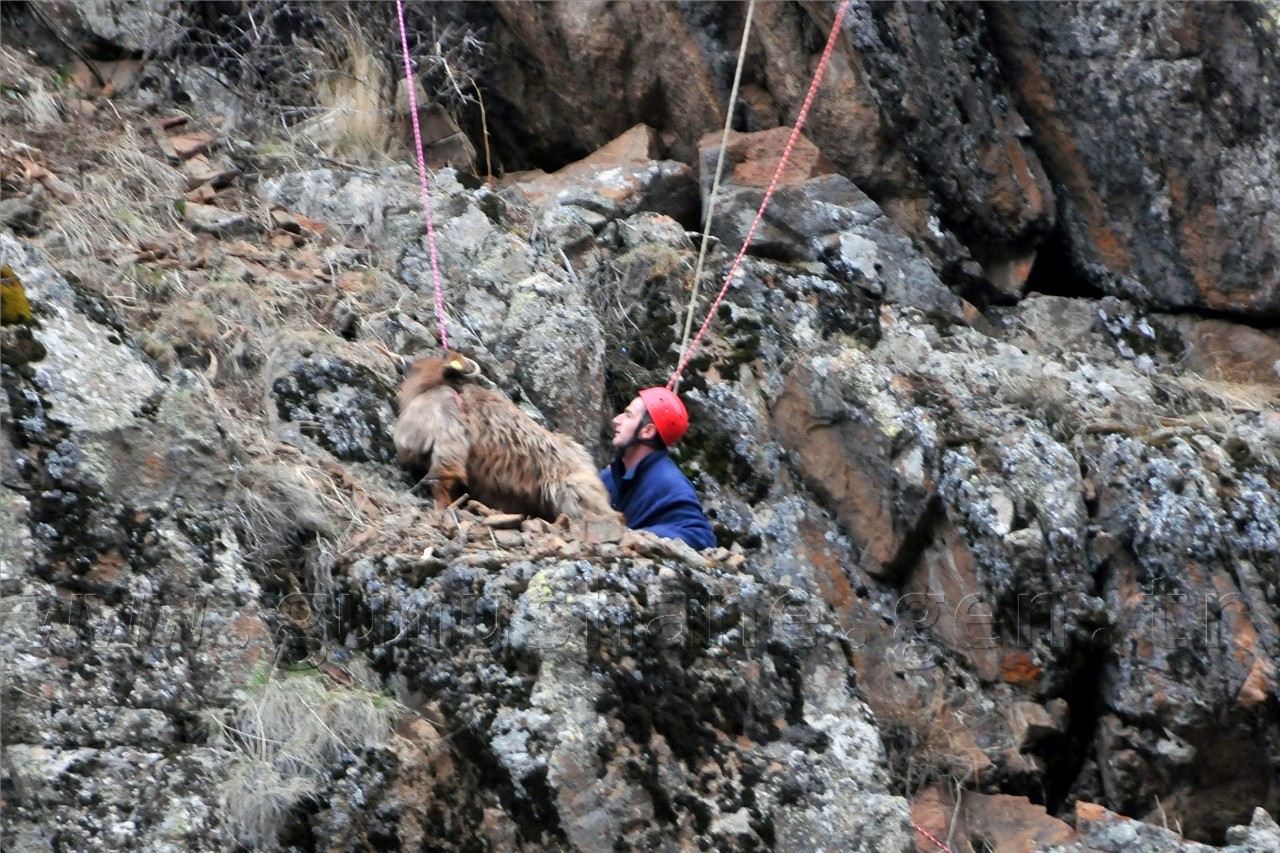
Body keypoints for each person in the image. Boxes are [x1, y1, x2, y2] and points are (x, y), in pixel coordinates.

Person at [600, 387, 716, 550]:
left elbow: (700, 535)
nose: (616, 420)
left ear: (647, 431)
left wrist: (637, 536)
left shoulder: (669, 483)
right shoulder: (611, 475)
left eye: (628, 415)